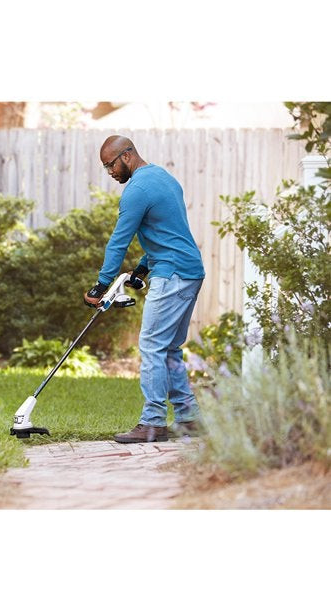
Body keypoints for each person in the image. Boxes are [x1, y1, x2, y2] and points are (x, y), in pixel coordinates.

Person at [84, 135, 205, 443]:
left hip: (172, 274)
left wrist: (100, 286)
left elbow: (118, 241)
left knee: (152, 346)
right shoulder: (164, 178)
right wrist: (141, 268)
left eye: (110, 165)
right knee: (169, 348)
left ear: (126, 156)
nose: (110, 172)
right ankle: (189, 419)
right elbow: (167, 233)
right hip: (189, 270)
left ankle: (152, 422)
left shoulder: (136, 190)